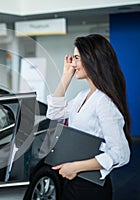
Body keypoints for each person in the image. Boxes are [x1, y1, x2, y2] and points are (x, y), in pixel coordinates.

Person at [46, 34, 131, 200]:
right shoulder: (82, 96)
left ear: (92, 59)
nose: (73, 64)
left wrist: (75, 167)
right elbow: (54, 113)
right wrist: (66, 76)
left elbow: (121, 154)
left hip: (89, 186)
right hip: (74, 178)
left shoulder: (104, 102)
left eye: (77, 58)